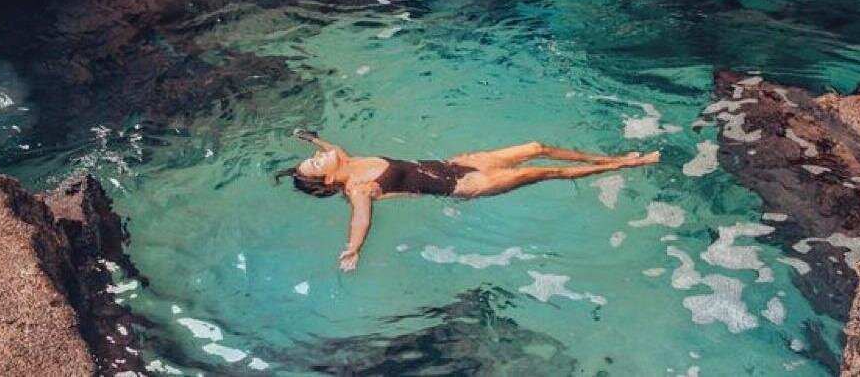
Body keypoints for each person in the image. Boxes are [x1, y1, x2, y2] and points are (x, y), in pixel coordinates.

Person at [275, 129, 660, 271]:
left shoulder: (347, 158)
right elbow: (361, 220)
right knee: (545, 171)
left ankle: (604, 159)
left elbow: (327, 144)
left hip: (457, 164)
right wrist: (353, 249)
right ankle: (627, 163)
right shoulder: (357, 189)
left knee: (537, 147)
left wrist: (308, 139)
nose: (321, 154)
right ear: (327, 177)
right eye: (316, 162)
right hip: (465, 187)